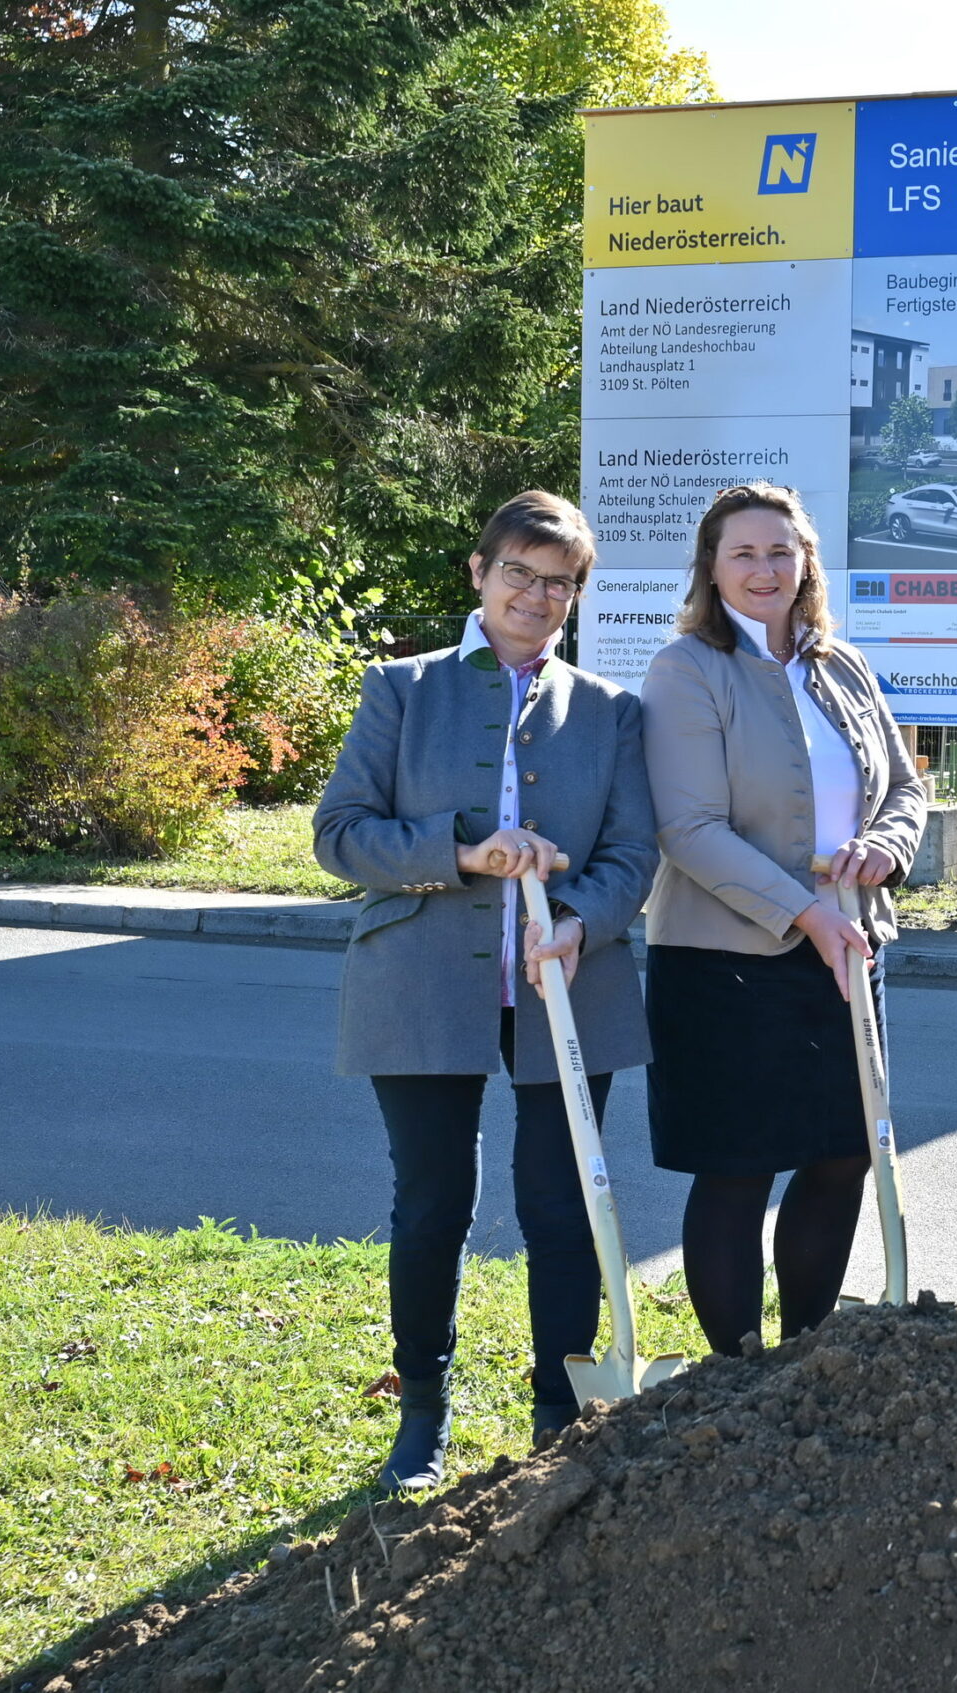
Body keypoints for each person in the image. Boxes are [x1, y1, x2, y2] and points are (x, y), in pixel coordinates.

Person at [313, 490, 657, 1489]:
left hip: (568, 989)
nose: (538, 596)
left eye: (560, 583)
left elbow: (636, 850)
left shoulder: (609, 711)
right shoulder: (400, 688)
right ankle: (422, 1410)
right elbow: (341, 834)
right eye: (520, 573)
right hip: (418, 984)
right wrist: (463, 851)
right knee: (431, 1205)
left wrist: (584, 920)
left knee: (563, 1206)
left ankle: (562, 1415)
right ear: (479, 572)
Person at [640, 482, 927, 1355]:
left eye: (780, 551)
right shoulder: (687, 668)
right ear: (712, 568)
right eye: (743, 553)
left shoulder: (841, 666)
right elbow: (688, 827)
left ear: (806, 560)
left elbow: (906, 790)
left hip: (847, 945)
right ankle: (733, 1371)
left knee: (845, 1153)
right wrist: (805, 912)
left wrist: (884, 848)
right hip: (726, 961)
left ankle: (806, 1355)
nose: (765, 569)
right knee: (738, 1169)